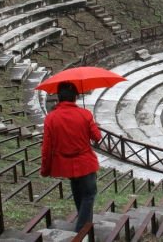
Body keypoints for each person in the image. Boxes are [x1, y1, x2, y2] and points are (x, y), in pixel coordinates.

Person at [41, 82, 102, 232]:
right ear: (76, 97)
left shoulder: (51, 118)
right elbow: (97, 137)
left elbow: (47, 147)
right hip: (85, 162)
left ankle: (85, 227)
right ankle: (82, 231)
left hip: (67, 164)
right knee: (89, 195)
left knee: (78, 194)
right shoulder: (85, 114)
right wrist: (94, 124)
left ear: (59, 98)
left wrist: (45, 169)